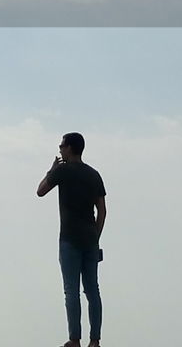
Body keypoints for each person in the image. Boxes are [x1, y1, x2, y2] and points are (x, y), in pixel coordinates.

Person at [37, 132, 107, 347]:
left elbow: (40, 191)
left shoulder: (63, 171)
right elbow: (102, 211)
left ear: (70, 148)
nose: (59, 149)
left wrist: (52, 169)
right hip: (90, 239)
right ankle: (94, 340)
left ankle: (74, 339)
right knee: (92, 290)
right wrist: (96, 237)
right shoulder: (94, 174)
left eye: (62, 145)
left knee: (71, 291)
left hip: (69, 239)